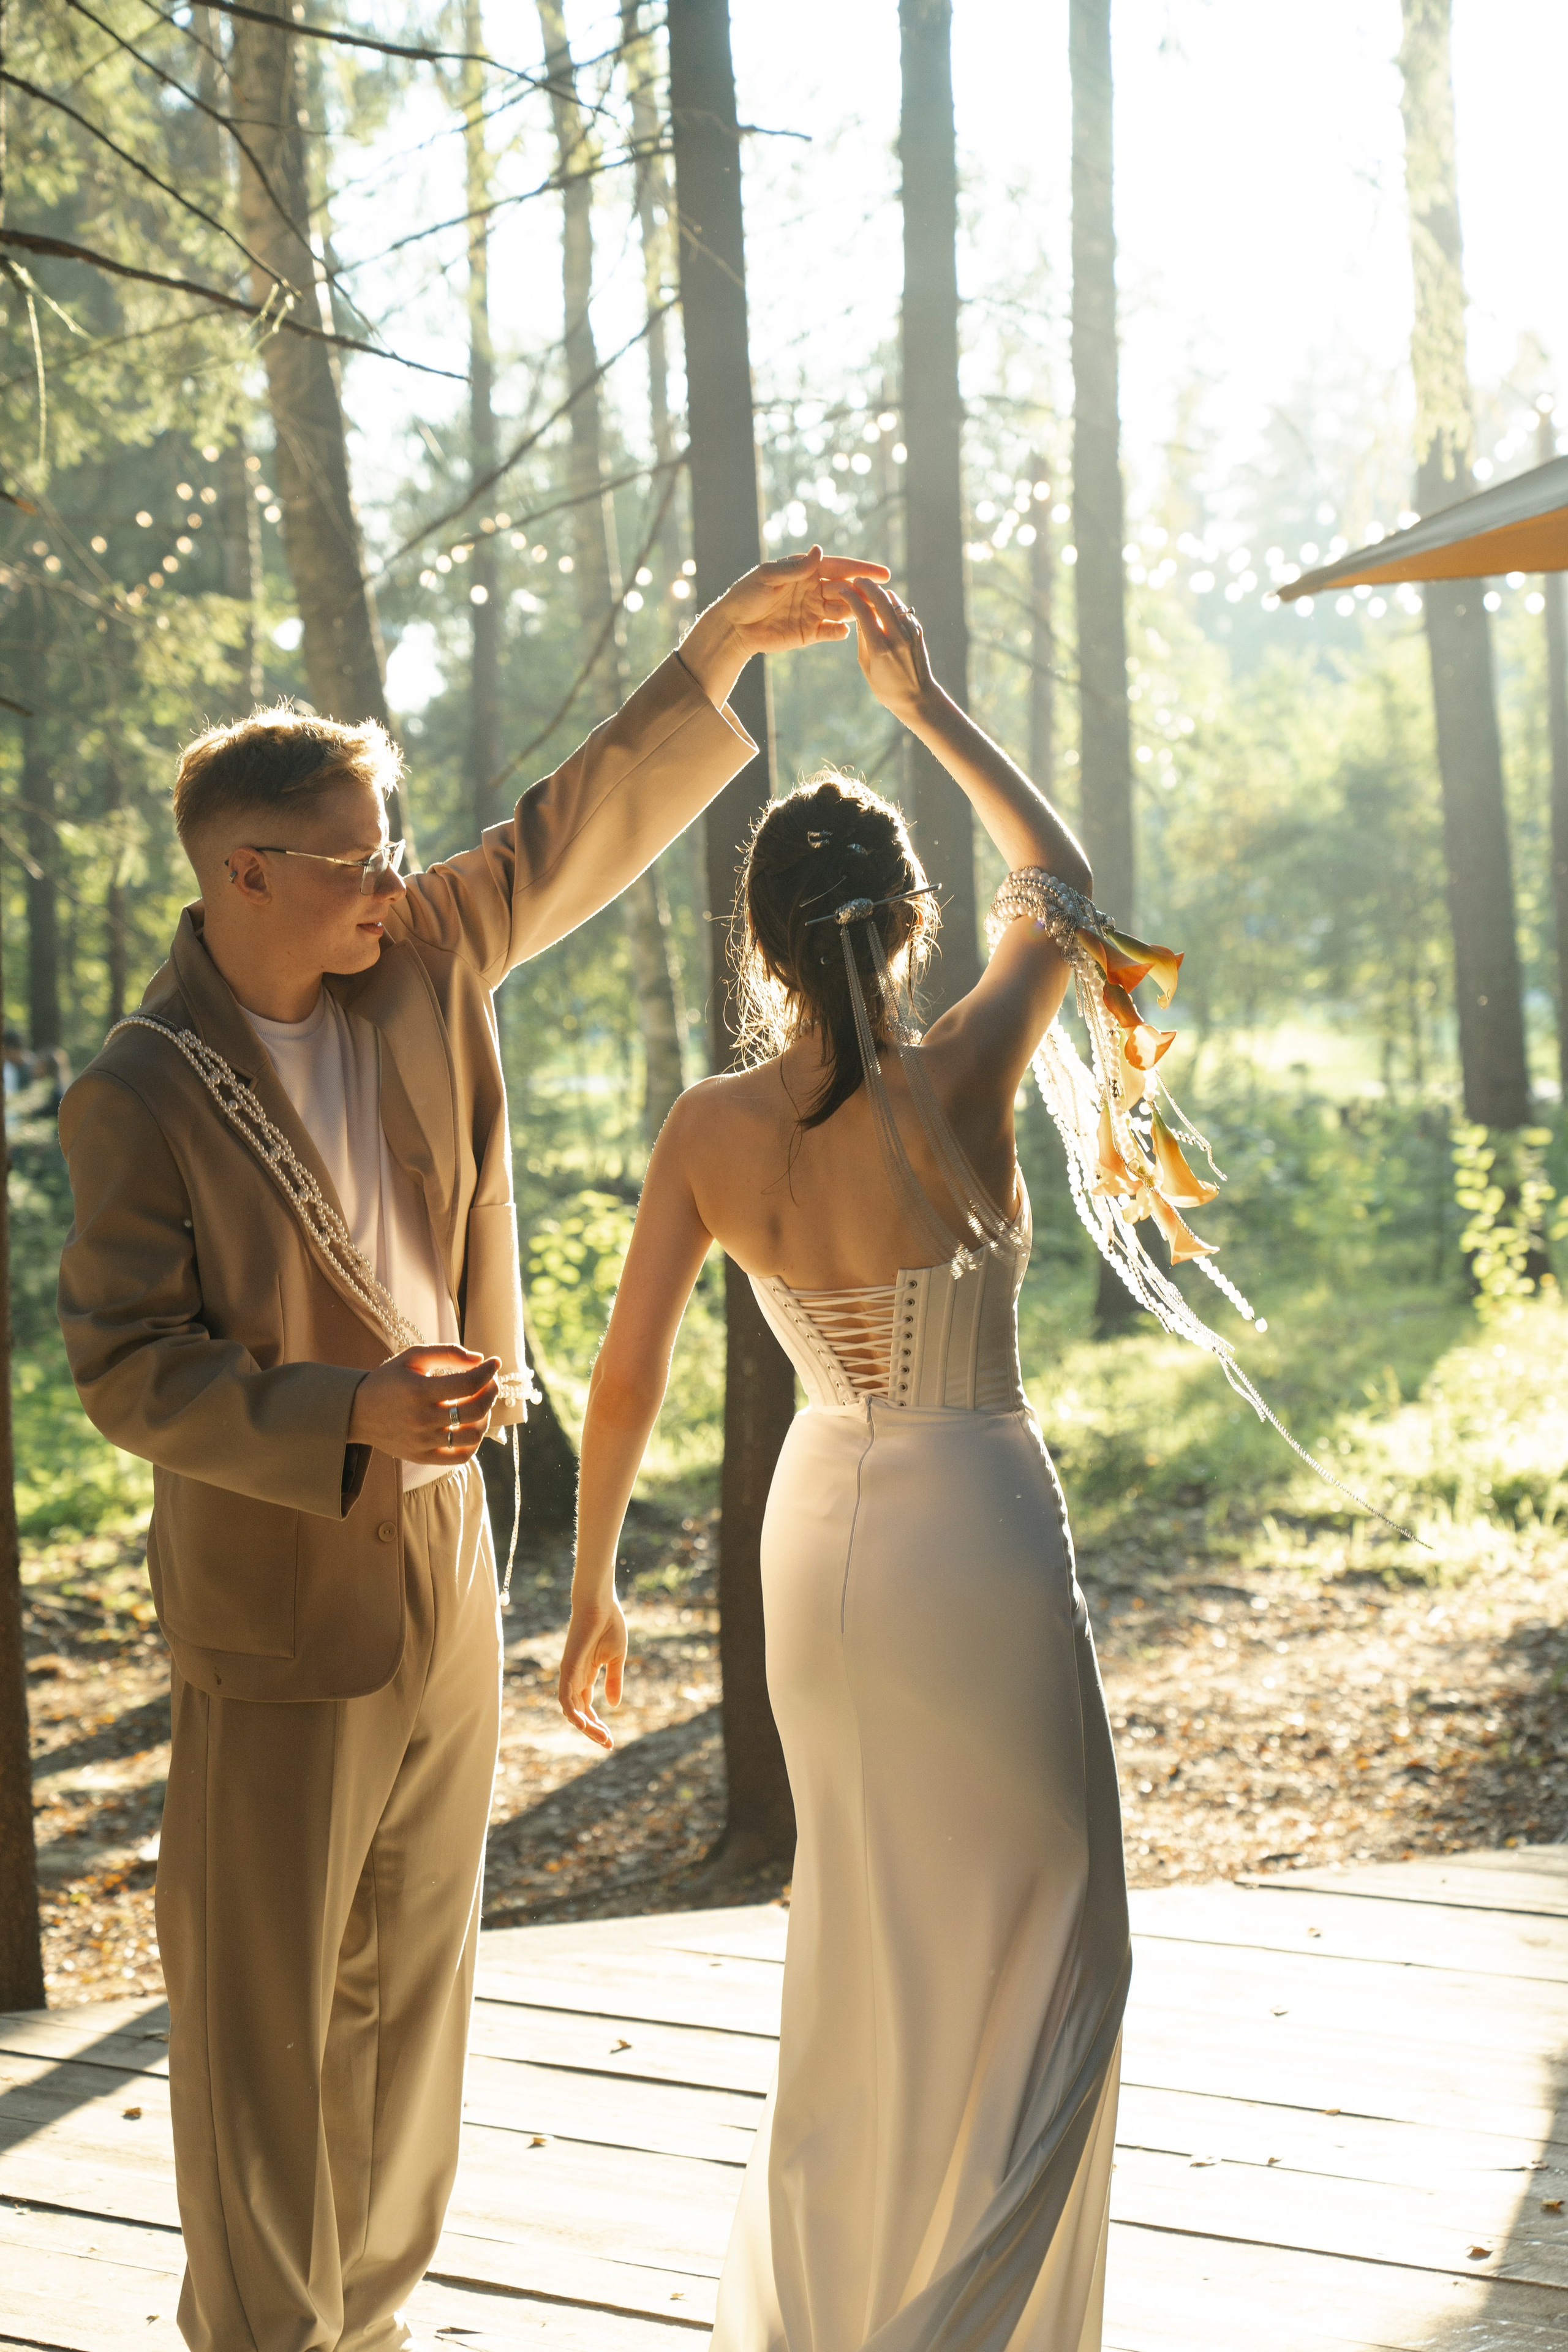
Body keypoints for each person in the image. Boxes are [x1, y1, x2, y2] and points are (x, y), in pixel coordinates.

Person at [55, 544, 888, 2352]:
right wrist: (344, 1412)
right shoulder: (139, 1089)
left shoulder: (421, 956)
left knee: (413, 1993)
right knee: (264, 2019)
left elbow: (567, 830)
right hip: (280, 1584)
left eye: (393, 846)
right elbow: (125, 1371)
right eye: (355, 856)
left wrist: (717, 648)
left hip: (450, 1555)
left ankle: (366, 2323)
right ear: (245, 872)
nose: (395, 877)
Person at [558, 578, 1130, 2350]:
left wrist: (590, 1586)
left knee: (862, 1937)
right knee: (1063, 1927)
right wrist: (927, 705)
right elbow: (1067, 886)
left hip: (816, 1540)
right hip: (973, 1522)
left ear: (758, 938)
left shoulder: (706, 1129)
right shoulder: (963, 1074)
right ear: (909, 924)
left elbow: (629, 1373)